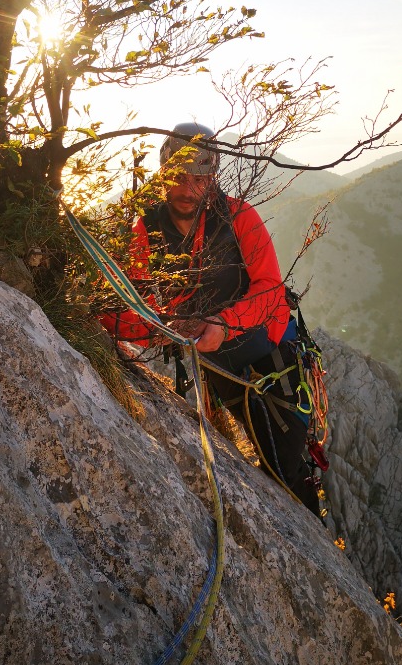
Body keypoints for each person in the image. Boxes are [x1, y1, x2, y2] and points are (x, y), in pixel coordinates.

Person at [102, 121, 320, 515]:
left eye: (199, 179)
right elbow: (130, 304)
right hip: (218, 361)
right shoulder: (146, 229)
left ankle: (311, 528)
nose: (188, 189)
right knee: (265, 449)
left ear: (213, 177)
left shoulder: (239, 216)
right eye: (178, 178)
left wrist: (224, 323)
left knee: (285, 465)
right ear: (163, 175)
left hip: (270, 356)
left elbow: (269, 289)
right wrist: (157, 329)